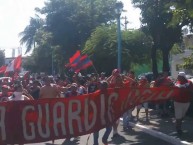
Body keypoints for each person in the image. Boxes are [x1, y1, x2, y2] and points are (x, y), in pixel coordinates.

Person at [93, 81, 112, 145]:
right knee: (96, 129)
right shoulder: (96, 93)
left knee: (109, 128)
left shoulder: (110, 92)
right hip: (97, 114)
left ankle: (104, 138)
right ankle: (95, 143)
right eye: (101, 85)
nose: (102, 86)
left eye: (104, 85)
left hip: (107, 114)